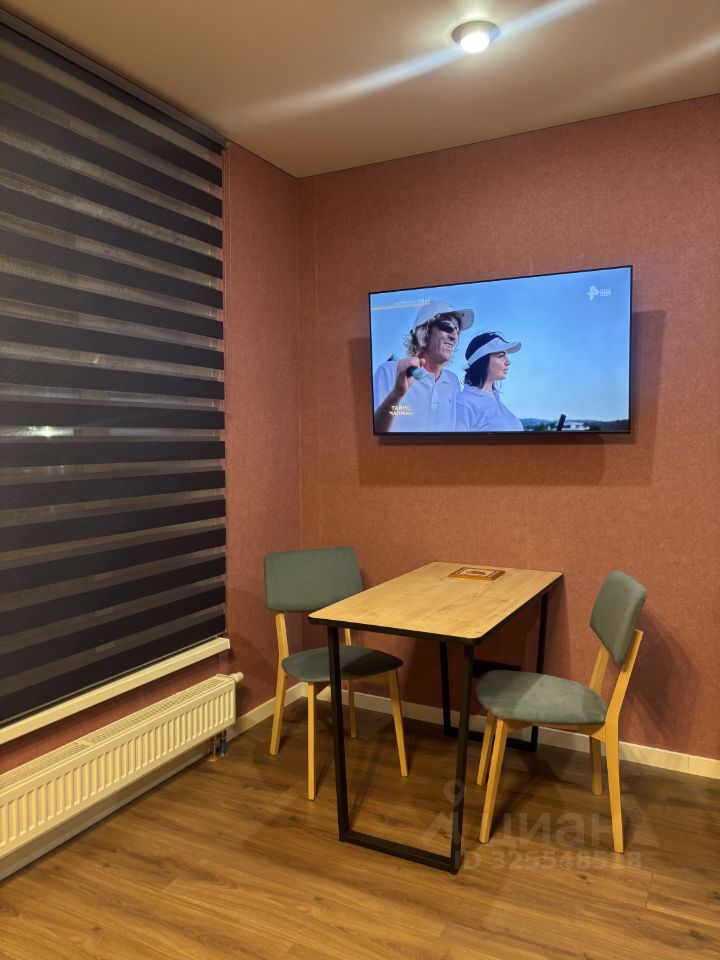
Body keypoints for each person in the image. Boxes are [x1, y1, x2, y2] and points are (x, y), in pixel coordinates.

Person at [373, 300, 474, 432]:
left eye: (457, 329)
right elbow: (375, 433)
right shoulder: (390, 370)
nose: (455, 336)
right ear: (425, 332)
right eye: (448, 326)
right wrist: (396, 394)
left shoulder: (453, 381)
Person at [456, 332, 524, 432]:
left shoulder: (495, 399)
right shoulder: (463, 404)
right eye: (501, 356)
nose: (508, 362)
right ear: (482, 360)